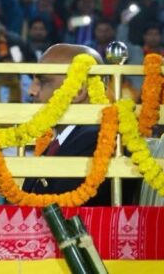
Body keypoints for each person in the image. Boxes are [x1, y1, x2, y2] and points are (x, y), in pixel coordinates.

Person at [22, 43, 111, 205]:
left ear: (78, 91)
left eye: (43, 81)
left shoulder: (97, 142)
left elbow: (59, 211)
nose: (31, 91)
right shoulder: (64, 140)